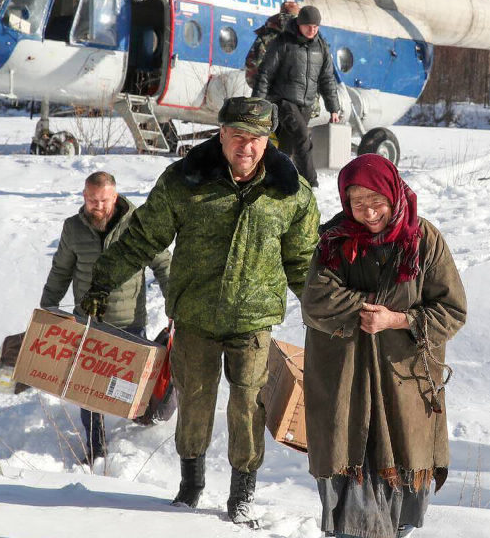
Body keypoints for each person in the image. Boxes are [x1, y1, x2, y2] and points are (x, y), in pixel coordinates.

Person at [85, 96, 320, 525]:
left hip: (252, 323)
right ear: (221, 134)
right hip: (194, 319)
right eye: (235, 136)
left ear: (268, 141)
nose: (244, 147)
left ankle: (241, 495)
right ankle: (190, 486)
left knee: (248, 407)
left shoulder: (291, 195)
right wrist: (103, 280)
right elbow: (142, 237)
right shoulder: (185, 181)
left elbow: (303, 263)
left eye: (254, 138)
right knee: (193, 404)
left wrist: (322, 317)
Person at [300, 154, 467, 538]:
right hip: (347, 384)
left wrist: (397, 319)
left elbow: (452, 310)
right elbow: (316, 302)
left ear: (393, 194)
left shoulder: (423, 240)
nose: (368, 211)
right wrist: (368, 308)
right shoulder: (334, 242)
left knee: (404, 482)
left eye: (376, 200)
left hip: (403, 383)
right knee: (350, 480)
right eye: (357, 202)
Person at [40, 172, 172, 463]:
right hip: (88, 322)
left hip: (129, 322)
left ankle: (142, 429)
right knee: (87, 387)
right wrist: (48, 307)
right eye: (90, 200)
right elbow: (61, 270)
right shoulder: (73, 228)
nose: (96, 206)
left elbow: (163, 264)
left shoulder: (138, 224)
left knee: (132, 388)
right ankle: (95, 446)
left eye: (102, 200)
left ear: (115, 197)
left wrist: (174, 300)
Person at [252, 5, 342, 186]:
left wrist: (333, 108)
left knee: (287, 146)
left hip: (306, 104)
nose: (312, 30)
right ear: (299, 24)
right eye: (308, 26)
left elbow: (327, 79)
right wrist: (258, 103)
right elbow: (265, 74)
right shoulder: (283, 43)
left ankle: (273, 179)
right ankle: (311, 182)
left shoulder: (321, 47)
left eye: (316, 26)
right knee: (302, 138)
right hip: (283, 100)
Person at [245, 0, 300, 91]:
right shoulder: (268, 37)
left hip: (281, 94)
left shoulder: (265, 36)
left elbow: (251, 66)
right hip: (286, 94)